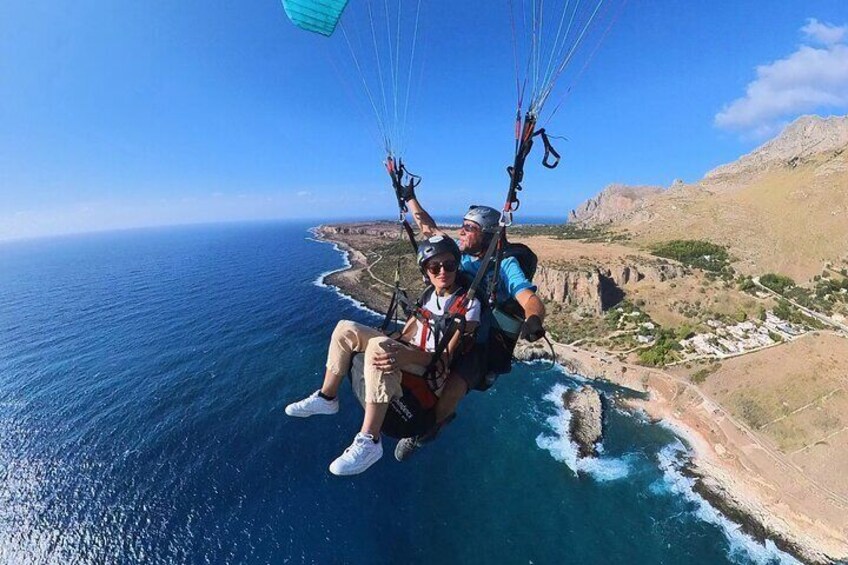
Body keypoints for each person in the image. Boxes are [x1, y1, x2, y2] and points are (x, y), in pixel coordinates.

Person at [285, 235, 480, 476]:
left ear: (457, 265)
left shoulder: (467, 306)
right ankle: (327, 397)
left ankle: (369, 441)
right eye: (434, 266)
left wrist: (405, 356)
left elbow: (446, 361)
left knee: (379, 347)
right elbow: (408, 334)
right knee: (346, 329)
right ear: (426, 271)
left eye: (449, 265)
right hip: (412, 353)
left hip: (430, 371)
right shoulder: (429, 296)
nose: (443, 271)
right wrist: (387, 337)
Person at [394, 192, 547, 461]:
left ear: (486, 236)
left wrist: (534, 319)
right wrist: (410, 199)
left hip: (480, 342)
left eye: (469, 228)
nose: (461, 232)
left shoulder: (504, 265)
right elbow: (428, 228)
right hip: (450, 327)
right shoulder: (457, 256)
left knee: (451, 388)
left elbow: (529, 297)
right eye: (462, 225)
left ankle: (427, 430)